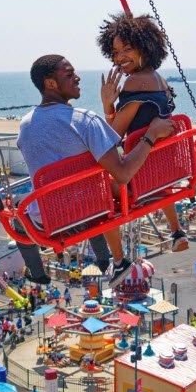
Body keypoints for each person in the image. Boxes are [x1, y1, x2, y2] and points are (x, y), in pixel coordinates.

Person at [14, 55, 174, 287]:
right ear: (50, 83)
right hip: (88, 212)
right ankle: (107, 260)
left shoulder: (25, 125)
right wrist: (152, 133)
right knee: (98, 197)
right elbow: (123, 173)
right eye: (69, 75)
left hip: (47, 220)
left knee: (22, 209)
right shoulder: (85, 120)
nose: (77, 78)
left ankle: (38, 273)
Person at [96, 13, 189, 252]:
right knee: (150, 158)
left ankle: (116, 260)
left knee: (97, 191)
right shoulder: (160, 80)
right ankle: (176, 230)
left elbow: (112, 136)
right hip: (164, 171)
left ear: (145, 48)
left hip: (140, 176)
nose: (120, 58)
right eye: (115, 53)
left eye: (127, 49)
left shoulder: (135, 82)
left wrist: (107, 104)